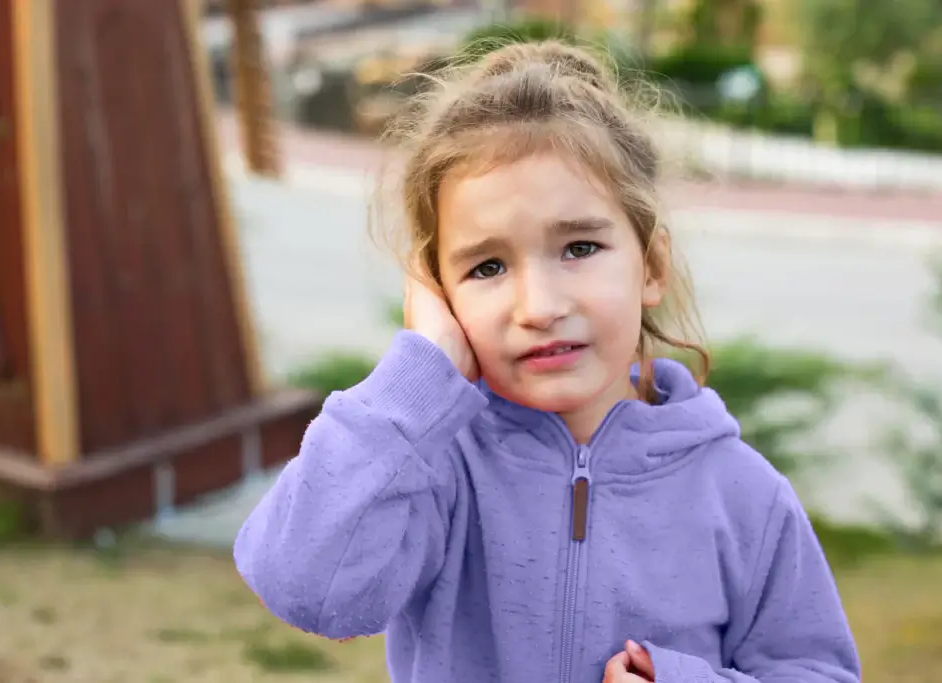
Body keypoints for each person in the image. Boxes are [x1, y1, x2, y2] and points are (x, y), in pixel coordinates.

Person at [233, 40, 862, 683]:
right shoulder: (433, 471)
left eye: (579, 247)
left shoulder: (744, 496)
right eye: (487, 267)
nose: (538, 306)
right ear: (438, 295)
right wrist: (418, 378)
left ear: (651, 266)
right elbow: (302, 587)